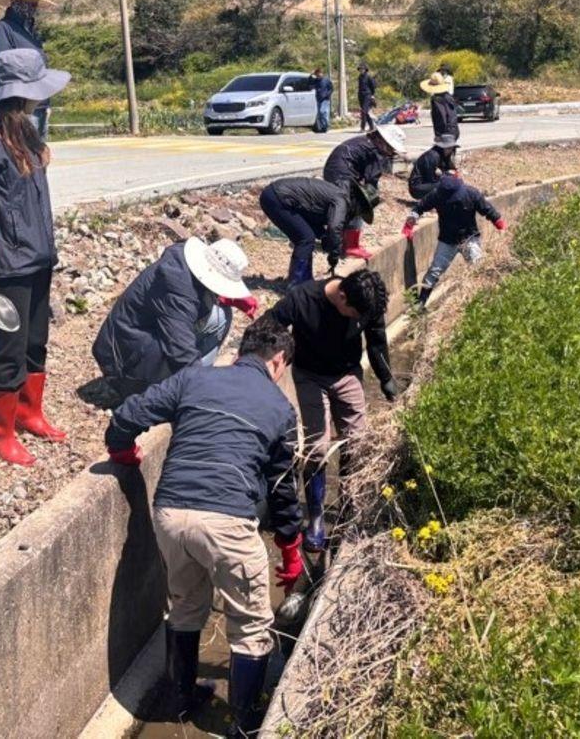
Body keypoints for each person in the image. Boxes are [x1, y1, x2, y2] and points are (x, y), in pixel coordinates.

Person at [105, 318, 303, 736]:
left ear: (243, 349)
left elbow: (129, 413)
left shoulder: (195, 378)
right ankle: (246, 724)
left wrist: (121, 450)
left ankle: (181, 699)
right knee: (250, 626)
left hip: (171, 514)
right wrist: (289, 544)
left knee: (185, 605)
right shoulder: (280, 409)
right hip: (227, 519)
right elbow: (283, 490)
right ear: (279, 360)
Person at [0, 47, 70, 467]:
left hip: (38, 255)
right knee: (9, 345)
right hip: (7, 263)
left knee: (36, 339)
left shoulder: (25, 130)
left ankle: (28, 411)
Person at [268, 269, 394, 553]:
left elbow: (376, 340)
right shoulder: (302, 299)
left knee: (357, 440)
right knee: (318, 447)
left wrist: (386, 379)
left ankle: (350, 509)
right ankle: (315, 518)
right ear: (342, 296)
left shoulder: (367, 302)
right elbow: (269, 326)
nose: (357, 319)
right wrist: (267, 362)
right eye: (353, 313)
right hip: (310, 375)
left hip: (346, 373)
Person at [92, 237, 257, 401]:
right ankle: (179, 389)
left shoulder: (182, 265)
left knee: (221, 315)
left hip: (138, 342)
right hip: (125, 362)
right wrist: (206, 391)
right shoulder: (177, 290)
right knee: (213, 326)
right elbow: (179, 349)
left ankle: (193, 380)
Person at [403, 174, 507, 307]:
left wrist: (500, 225)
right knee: (434, 272)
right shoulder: (437, 194)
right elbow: (420, 206)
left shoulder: (471, 193)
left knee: (478, 268)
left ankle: (485, 302)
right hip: (447, 241)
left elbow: (488, 210)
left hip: (469, 239)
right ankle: (420, 305)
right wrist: (413, 217)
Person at [258, 175, 374, 284]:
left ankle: (304, 279)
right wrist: (334, 254)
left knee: (307, 236)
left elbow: (310, 215)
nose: (358, 214)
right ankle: (297, 283)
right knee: (305, 239)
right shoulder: (341, 201)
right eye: (361, 211)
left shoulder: (339, 196)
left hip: (279, 197)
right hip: (277, 198)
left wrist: (323, 236)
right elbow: (334, 228)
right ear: (358, 203)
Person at [322, 123, 406, 259]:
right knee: (359, 205)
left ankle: (342, 239)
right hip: (342, 176)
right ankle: (351, 246)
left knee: (344, 207)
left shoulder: (365, 142)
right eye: (390, 149)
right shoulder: (373, 151)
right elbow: (371, 180)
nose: (390, 153)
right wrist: (372, 200)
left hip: (334, 172)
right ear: (382, 141)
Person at [0, 0, 57, 138]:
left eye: (35, 3)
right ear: (17, 1)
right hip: (21, 109)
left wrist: (47, 104)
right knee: (24, 159)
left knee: (39, 159)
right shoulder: (3, 28)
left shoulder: (30, 31)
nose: (34, 7)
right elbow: (6, 71)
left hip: (39, 105)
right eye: (30, 2)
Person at [408, 134, 458, 201]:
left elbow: (453, 171)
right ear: (442, 147)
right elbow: (430, 178)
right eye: (449, 148)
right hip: (417, 187)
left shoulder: (444, 156)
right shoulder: (432, 156)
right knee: (446, 185)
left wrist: (444, 173)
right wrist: (443, 175)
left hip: (428, 184)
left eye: (452, 148)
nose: (451, 150)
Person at [421, 70, 459, 142]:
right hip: (453, 132)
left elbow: (441, 118)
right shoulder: (448, 97)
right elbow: (452, 116)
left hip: (445, 134)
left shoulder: (436, 100)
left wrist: (439, 136)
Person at [311, 66, 333, 133]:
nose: (318, 75)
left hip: (325, 99)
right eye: (317, 74)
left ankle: (326, 126)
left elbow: (331, 88)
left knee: (323, 112)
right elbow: (309, 83)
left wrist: (327, 95)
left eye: (319, 73)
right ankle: (322, 128)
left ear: (321, 73)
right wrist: (311, 75)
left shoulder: (326, 80)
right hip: (318, 99)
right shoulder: (316, 81)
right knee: (320, 114)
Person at [357, 64, 376, 132]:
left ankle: (362, 127)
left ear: (365, 70)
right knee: (365, 112)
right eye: (360, 69)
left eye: (362, 69)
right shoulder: (360, 77)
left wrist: (372, 95)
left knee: (364, 112)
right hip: (361, 95)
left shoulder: (369, 77)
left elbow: (373, 86)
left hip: (367, 95)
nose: (361, 70)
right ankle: (371, 126)